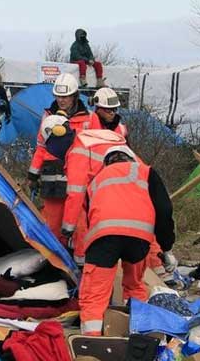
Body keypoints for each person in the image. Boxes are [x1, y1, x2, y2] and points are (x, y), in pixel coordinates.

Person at [79, 146, 176, 336]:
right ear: (131, 159)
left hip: (103, 238)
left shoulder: (95, 182)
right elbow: (164, 210)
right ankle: (138, 336)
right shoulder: (146, 171)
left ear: (106, 163)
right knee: (134, 286)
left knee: (95, 294)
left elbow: (88, 218)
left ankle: (90, 342)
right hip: (139, 238)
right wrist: (167, 248)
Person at [28, 73, 93, 236]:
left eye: (66, 97)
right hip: (53, 177)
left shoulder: (89, 119)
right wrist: (33, 175)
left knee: (78, 225)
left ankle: (76, 259)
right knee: (53, 224)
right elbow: (41, 147)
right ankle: (55, 259)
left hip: (79, 177)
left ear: (75, 96)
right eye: (58, 96)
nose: (61, 100)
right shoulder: (48, 116)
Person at [60, 129, 127, 264]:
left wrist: (68, 227)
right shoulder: (96, 141)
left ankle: (82, 262)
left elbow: (76, 194)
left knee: (81, 215)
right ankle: (159, 268)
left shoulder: (77, 152)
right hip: (129, 192)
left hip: (107, 197)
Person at [28, 112, 76, 241]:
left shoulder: (54, 125)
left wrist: (33, 177)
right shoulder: (50, 123)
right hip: (54, 186)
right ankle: (58, 251)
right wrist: (32, 176)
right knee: (56, 223)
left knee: (67, 223)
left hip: (62, 185)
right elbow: (40, 151)